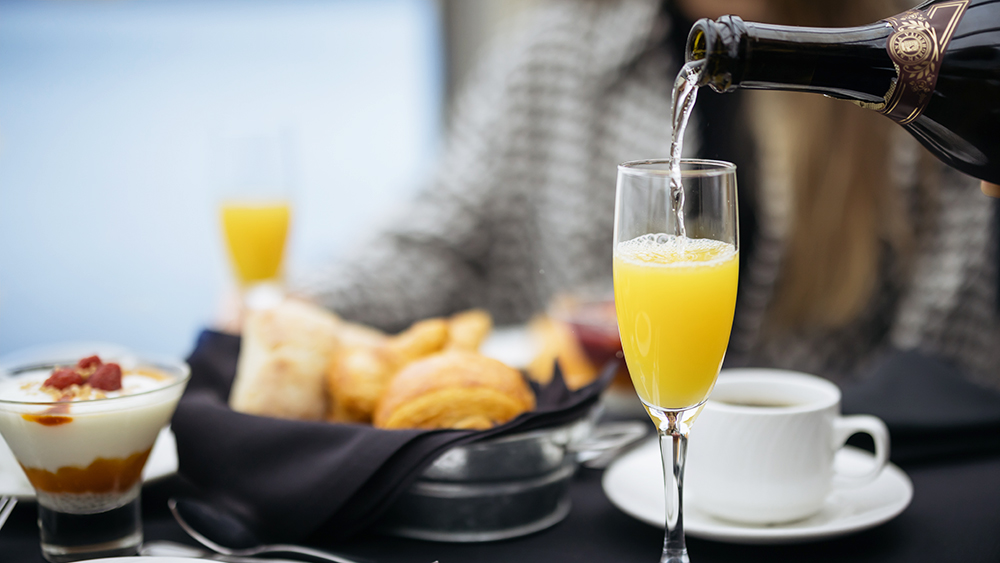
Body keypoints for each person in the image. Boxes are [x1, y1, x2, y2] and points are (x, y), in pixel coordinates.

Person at [296, 0, 1000, 388]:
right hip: (594, 476)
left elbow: (949, 361)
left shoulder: (902, 60)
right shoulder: (561, 50)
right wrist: (300, 308)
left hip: (819, 490)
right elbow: (440, 241)